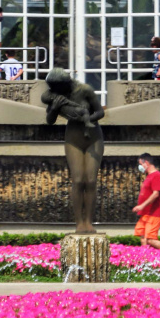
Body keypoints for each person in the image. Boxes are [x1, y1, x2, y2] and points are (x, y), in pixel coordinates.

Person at [42, 68, 105, 233]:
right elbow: (49, 121)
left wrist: (86, 119)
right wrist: (55, 108)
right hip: (73, 138)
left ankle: (89, 222)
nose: (53, 91)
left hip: (93, 137)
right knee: (78, 180)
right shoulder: (55, 95)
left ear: (64, 85)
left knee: (90, 180)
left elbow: (100, 112)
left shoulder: (85, 90)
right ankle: (79, 223)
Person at [132, 153, 160, 250]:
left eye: (140, 164)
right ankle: (146, 260)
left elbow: (156, 194)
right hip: (146, 214)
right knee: (143, 239)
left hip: (154, 213)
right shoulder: (149, 176)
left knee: (150, 239)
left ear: (146, 162)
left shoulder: (157, 175)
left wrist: (141, 206)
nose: (140, 167)